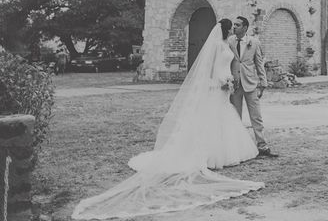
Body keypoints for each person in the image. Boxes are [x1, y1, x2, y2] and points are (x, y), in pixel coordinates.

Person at [72, 19, 263, 220]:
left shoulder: (229, 43)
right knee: (213, 117)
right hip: (217, 85)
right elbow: (209, 69)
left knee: (225, 116)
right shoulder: (216, 45)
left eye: (236, 26)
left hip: (227, 85)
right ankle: (210, 154)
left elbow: (235, 62)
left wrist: (230, 80)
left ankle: (228, 149)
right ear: (225, 29)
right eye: (231, 26)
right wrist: (219, 82)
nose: (234, 28)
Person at [228, 16, 277, 157]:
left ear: (245, 28)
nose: (234, 27)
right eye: (234, 25)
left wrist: (263, 83)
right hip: (235, 85)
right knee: (235, 117)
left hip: (250, 84)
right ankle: (237, 146)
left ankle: (263, 146)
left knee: (256, 116)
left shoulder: (254, 42)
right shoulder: (229, 41)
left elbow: (259, 63)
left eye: (237, 25)